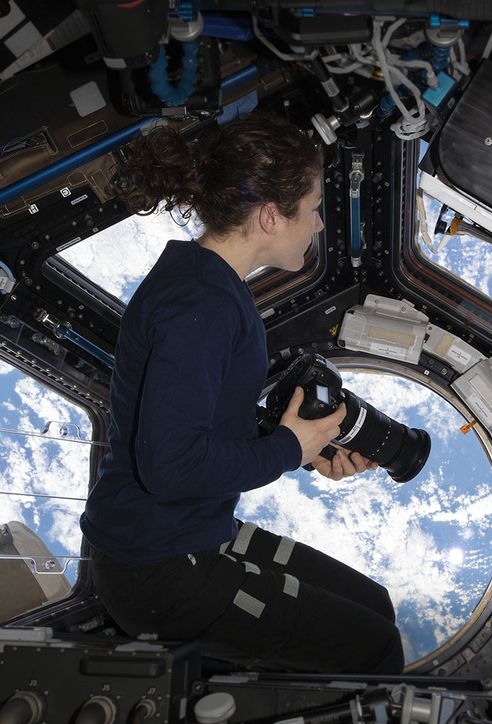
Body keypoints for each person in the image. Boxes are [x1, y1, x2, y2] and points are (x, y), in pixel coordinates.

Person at [79, 113, 404, 674]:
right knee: (373, 650)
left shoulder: (208, 288)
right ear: (271, 216)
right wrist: (284, 450)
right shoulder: (198, 306)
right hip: (156, 566)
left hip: (191, 530)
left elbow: (200, 421)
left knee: (373, 607)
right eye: (314, 208)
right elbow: (172, 464)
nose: (320, 224)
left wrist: (303, 448)